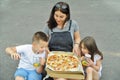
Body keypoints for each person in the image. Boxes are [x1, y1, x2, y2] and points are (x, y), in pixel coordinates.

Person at [43, 1, 81, 80]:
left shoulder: (73, 24)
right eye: (56, 15)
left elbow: (77, 38)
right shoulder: (48, 25)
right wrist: (45, 47)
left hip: (70, 59)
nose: (58, 18)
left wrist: (76, 45)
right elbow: (43, 41)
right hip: (53, 60)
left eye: (61, 16)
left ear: (67, 16)